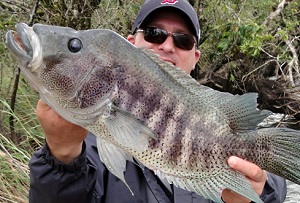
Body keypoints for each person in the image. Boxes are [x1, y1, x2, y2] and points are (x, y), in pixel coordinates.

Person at [29, 0, 287, 202]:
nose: (166, 45)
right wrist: (62, 158)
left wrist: (260, 194)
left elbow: (274, 186)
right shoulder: (81, 143)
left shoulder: (222, 122)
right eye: (154, 34)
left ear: (195, 56)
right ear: (129, 43)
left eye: (183, 40)